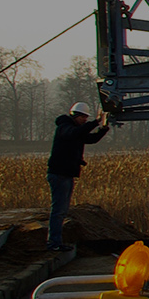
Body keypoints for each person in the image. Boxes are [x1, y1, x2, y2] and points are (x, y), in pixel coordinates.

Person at [47, 102, 109, 252]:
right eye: (83, 118)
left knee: (62, 209)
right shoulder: (65, 128)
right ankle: (53, 243)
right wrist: (95, 122)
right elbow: (76, 133)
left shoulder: (74, 130)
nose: (84, 121)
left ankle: (56, 241)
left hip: (67, 175)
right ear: (75, 116)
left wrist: (103, 128)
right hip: (60, 175)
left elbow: (91, 139)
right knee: (59, 210)